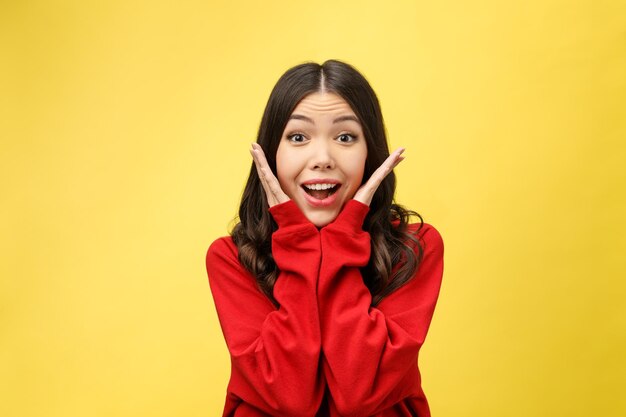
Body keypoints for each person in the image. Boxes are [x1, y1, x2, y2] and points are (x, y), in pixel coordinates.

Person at [205, 59, 444, 417]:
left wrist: (344, 238)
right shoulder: (231, 258)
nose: (322, 158)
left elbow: (358, 396)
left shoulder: (414, 248)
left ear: (371, 151)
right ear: (272, 152)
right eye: (298, 137)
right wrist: (299, 242)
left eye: (345, 137)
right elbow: (291, 400)